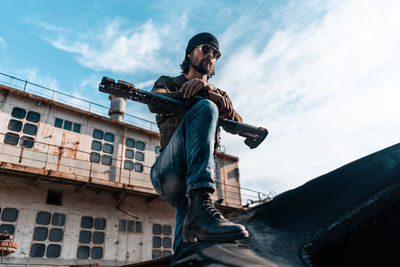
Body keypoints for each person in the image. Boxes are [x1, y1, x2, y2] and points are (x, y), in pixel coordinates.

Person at [148, 32, 248, 257]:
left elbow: (238, 124)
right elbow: (155, 102)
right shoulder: (169, 82)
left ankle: (187, 251)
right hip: (168, 173)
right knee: (205, 108)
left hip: (192, 182)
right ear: (189, 53)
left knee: (187, 239)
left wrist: (211, 93)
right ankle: (202, 206)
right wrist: (197, 95)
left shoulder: (220, 95)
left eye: (215, 54)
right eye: (205, 49)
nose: (210, 55)